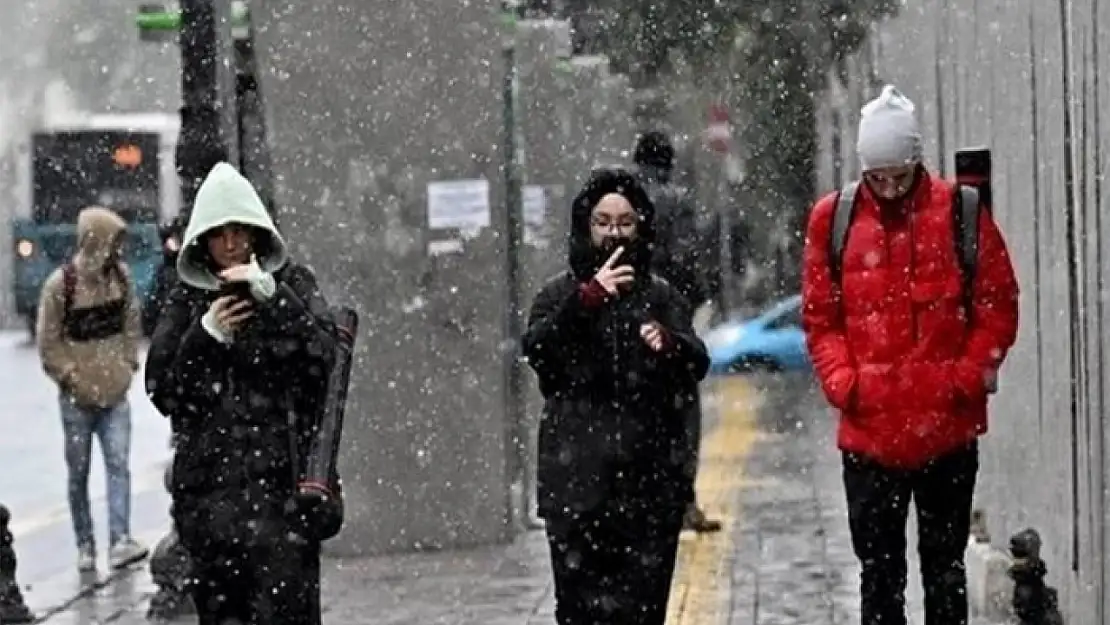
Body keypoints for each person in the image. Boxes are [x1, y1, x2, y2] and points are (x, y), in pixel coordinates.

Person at [801, 85, 1020, 625]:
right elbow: (821, 319)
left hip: (946, 431)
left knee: (944, 573)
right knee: (878, 577)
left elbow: (997, 306)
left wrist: (964, 379)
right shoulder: (834, 221)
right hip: (869, 434)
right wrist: (844, 384)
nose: (891, 187)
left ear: (918, 161)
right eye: (880, 177)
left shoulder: (959, 213)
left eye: (901, 174)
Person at [145, 162, 337, 625]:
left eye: (239, 231)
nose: (230, 244)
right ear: (203, 242)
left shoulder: (291, 284)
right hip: (213, 510)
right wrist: (206, 335)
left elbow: (322, 360)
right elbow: (164, 390)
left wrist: (274, 303)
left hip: (283, 500)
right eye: (219, 233)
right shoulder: (186, 298)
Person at [522, 166, 710, 624]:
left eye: (625, 222)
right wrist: (586, 301)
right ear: (586, 227)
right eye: (603, 223)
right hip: (576, 487)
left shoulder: (660, 295)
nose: (614, 234)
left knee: (644, 610)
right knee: (579, 609)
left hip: (648, 487)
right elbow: (541, 354)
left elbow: (696, 364)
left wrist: (669, 344)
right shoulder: (559, 294)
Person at [36, 206, 150, 573]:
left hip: (115, 395)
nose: (118, 250)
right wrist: (72, 377)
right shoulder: (60, 286)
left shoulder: (121, 279)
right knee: (79, 473)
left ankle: (120, 539)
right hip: (77, 400)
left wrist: (128, 364)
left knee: (119, 466)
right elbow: (48, 342)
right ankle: (85, 543)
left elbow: (132, 324)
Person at [633, 130, 722, 534]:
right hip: (670, 323)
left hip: (630, 325)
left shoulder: (623, 201)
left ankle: (642, 500)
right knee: (682, 416)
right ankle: (683, 501)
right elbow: (689, 263)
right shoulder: (676, 202)